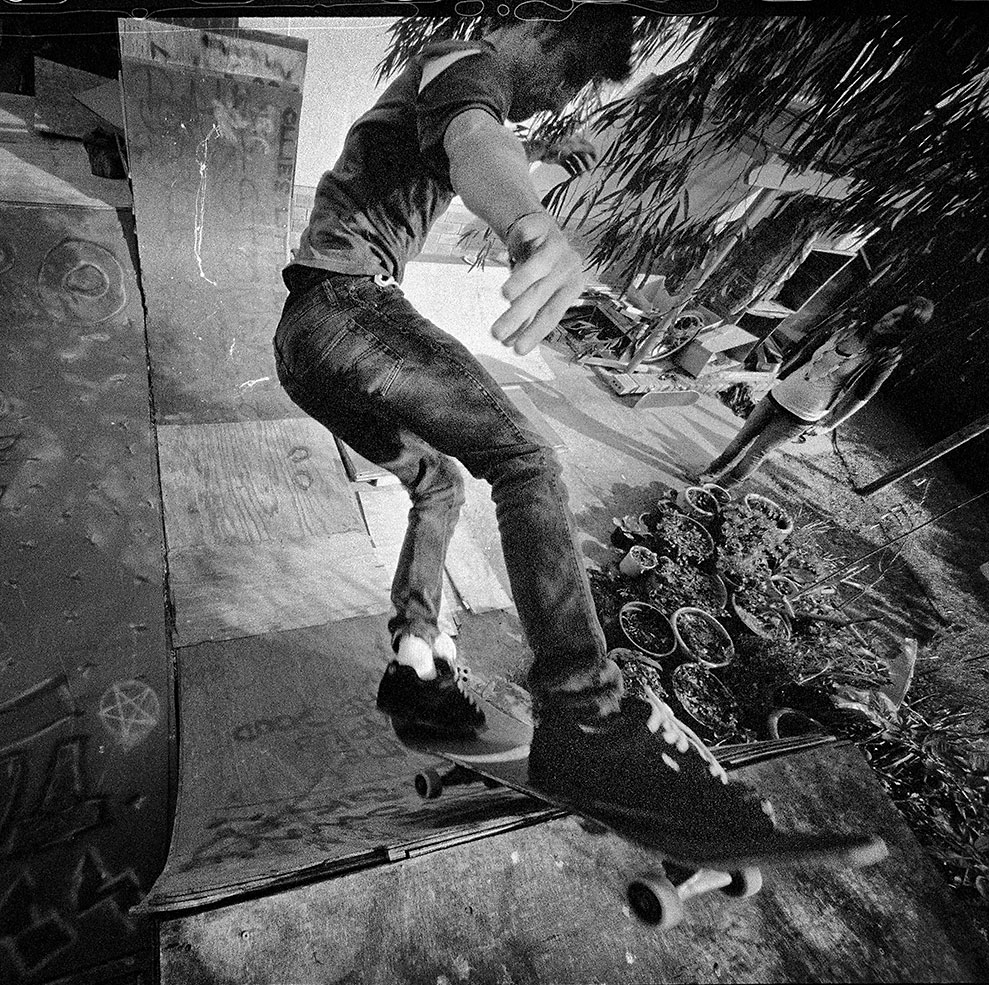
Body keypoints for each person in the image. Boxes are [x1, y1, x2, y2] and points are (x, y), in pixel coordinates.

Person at [274, 9, 776, 858]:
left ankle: (418, 661)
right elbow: (477, 141)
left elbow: (478, 149)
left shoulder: (439, 95)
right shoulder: (466, 63)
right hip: (346, 307)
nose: (554, 100)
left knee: (439, 482)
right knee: (525, 458)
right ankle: (588, 715)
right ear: (542, 32)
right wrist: (531, 224)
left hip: (308, 344)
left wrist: (545, 165)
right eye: (568, 80)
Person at [691, 297, 935, 490]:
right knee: (740, 439)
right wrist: (777, 378)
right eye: (894, 315)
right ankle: (709, 474)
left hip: (803, 414)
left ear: (904, 332)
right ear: (888, 309)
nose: (890, 323)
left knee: (757, 453)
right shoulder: (850, 328)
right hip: (780, 394)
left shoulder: (885, 357)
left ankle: (720, 490)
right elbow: (808, 355)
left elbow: (862, 396)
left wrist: (828, 425)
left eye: (900, 324)